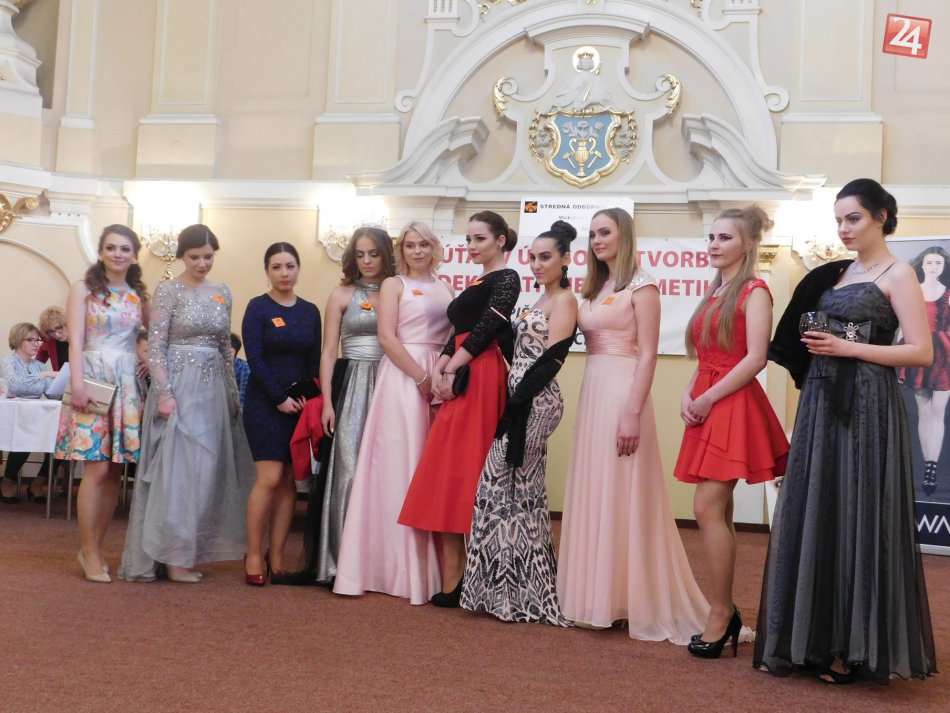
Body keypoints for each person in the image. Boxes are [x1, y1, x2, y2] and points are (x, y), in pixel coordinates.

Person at [754, 178, 937, 683]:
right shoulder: (836, 272)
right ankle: (811, 639)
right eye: (838, 220)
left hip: (867, 404)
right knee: (819, 507)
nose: (843, 229)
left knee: (858, 510)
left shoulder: (899, 273)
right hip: (819, 400)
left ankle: (854, 647)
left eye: (853, 218)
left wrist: (849, 348)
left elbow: (921, 351)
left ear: (882, 217)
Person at [556, 207, 708, 641]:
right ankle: (598, 596)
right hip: (594, 392)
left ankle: (630, 598)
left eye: (605, 232)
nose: (597, 240)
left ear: (624, 234)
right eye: (592, 234)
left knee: (624, 488)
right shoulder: (594, 287)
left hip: (624, 393)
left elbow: (648, 354)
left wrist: (632, 413)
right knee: (598, 485)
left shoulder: (643, 285)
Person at [672, 206, 788, 658]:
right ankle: (728, 611)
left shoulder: (755, 291)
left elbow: (755, 358)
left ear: (748, 244)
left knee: (705, 507)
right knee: (719, 510)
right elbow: (707, 354)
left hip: (731, 405)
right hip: (708, 400)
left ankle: (720, 613)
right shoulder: (715, 292)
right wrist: (689, 391)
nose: (714, 245)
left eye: (725, 238)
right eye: (712, 237)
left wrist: (707, 398)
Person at [398, 211, 521, 607]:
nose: (471, 246)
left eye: (480, 238)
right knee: (449, 466)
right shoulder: (477, 281)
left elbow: (487, 328)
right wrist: (442, 364)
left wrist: (451, 366)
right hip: (463, 369)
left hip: (481, 374)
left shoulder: (508, 278)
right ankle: (456, 573)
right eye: (468, 239)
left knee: (468, 465)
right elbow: (458, 331)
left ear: (500, 240)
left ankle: (473, 576)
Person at [119, 224, 253, 584]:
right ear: (182, 255)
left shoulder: (223, 291)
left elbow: (225, 347)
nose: (202, 263)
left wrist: (233, 394)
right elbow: (156, 347)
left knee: (206, 472)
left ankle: (187, 550)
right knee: (178, 473)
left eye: (208, 256)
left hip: (213, 392)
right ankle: (173, 557)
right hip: (178, 388)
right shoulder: (168, 290)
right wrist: (165, 394)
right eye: (195, 257)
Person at [461, 220, 578, 625]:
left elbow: (551, 360)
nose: (537, 264)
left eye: (545, 257)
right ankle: (505, 592)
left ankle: (529, 592)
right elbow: (519, 352)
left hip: (537, 402)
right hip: (520, 400)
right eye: (532, 257)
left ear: (565, 259)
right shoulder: (537, 300)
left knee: (512, 489)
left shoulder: (565, 300)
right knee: (507, 492)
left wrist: (515, 405)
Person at [334, 222, 453, 604]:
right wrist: (420, 377)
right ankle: (394, 569)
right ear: (402, 251)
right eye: (411, 245)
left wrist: (441, 375)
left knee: (429, 468)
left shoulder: (445, 287)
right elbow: (386, 337)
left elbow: (452, 337)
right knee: (400, 467)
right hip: (404, 377)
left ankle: (436, 571)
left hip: (438, 375)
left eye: (424, 244)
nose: (417, 251)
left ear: (434, 248)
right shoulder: (393, 285)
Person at [297, 227, 394, 585]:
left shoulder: (397, 292)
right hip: (351, 384)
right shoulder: (340, 295)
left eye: (374, 253)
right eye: (360, 254)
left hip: (390, 383)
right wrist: (326, 402)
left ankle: (380, 565)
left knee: (386, 471)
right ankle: (339, 561)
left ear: (386, 254)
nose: (366, 260)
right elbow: (328, 352)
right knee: (348, 470)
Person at [55, 225, 147, 583]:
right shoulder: (83, 289)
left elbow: (147, 340)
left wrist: (145, 361)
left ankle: (96, 546)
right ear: (101, 252)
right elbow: (75, 342)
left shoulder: (139, 295)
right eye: (111, 247)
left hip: (127, 384)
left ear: (134, 255)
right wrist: (77, 385)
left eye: (124, 248)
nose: (117, 254)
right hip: (92, 379)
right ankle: (89, 550)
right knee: (95, 468)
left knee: (115, 471)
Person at [242, 242, 321, 585]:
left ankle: (276, 556)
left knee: (291, 481)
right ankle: (253, 553)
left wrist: (310, 400)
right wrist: (278, 398)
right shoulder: (258, 307)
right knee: (270, 478)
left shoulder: (310, 311)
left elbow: (314, 361)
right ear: (267, 271)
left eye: (290, 266)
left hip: (300, 406)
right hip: (265, 404)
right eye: (276, 267)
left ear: (298, 269)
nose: (284, 273)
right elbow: (255, 358)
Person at [898, 246, 950, 496]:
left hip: (944, 353)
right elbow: (902, 326)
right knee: (924, 412)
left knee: (937, 413)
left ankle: (931, 468)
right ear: (922, 265)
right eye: (929, 262)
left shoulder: (949, 294)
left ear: (943, 266)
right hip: (918, 350)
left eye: (938, 263)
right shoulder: (913, 292)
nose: (933, 267)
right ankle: (928, 468)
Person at [0, 323, 57, 503]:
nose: (36, 344)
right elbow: (16, 385)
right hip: (10, 415)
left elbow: (51, 392)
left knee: (59, 439)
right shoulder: (7, 361)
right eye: (31, 340)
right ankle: (8, 481)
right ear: (18, 340)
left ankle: (38, 482)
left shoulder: (39, 366)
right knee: (22, 437)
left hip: (33, 414)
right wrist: (45, 376)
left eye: (38, 340)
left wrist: (63, 382)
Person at [36, 306, 69, 370]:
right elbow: (40, 357)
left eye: (59, 328)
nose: (56, 334)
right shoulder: (51, 341)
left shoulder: (81, 338)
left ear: (66, 324)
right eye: (51, 331)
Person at [230, 333, 250, 409]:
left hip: (235, 411)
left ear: (232, 352)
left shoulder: (244, 367)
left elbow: (243, 399)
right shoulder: (214, 367)